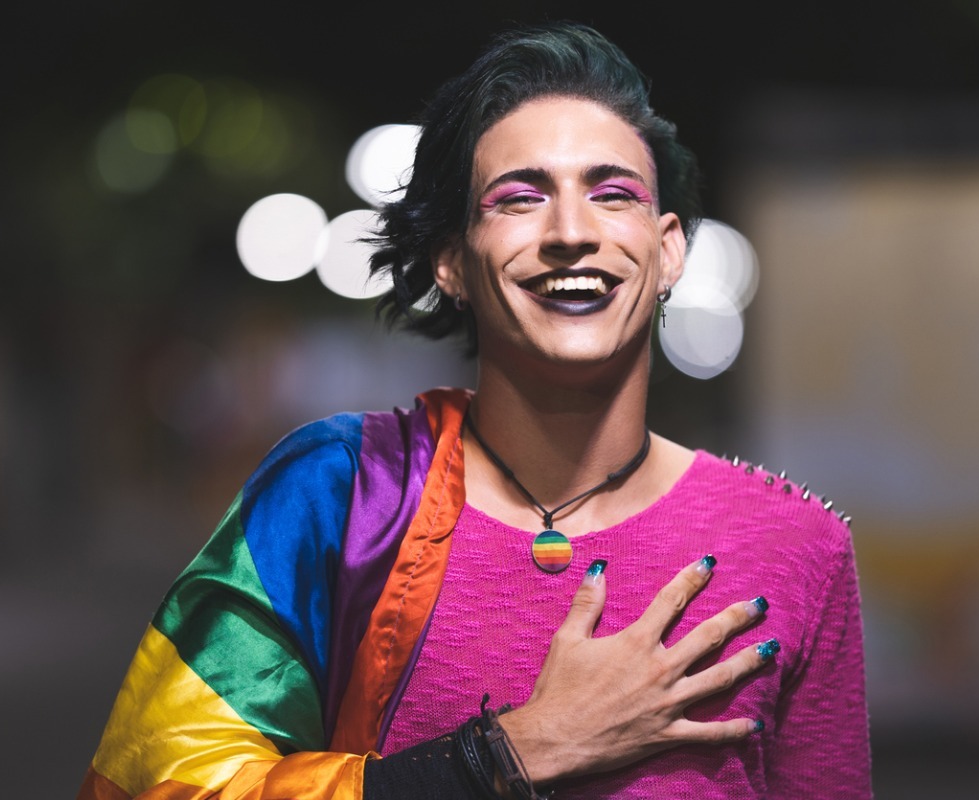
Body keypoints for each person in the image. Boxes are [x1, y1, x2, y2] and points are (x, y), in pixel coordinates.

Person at [78, 23, 871, 800]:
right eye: (520, 198)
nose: (570, 232)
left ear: (667, 251)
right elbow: (157, 785)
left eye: (613, 194)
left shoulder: (799, 546)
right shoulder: (338, 498)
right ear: (452, 263)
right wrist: (507, 755)